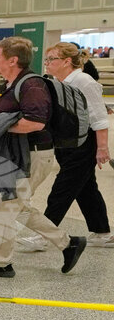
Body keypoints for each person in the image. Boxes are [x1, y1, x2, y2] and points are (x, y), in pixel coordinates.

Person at [0, 37, 87, 278]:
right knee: (20, 208)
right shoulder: (13, 83)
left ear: (13, 60)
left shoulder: (32, 85)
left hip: (33, 157)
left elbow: (35, 122)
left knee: (5, 209)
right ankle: (69, 244)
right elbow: (11, 112)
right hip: (21, 155)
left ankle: (1, 263)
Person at [17, 42, 113, 251]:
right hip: (67, 143)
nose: (47, 63)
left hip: (83, 144)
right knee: (86, 189)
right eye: (47, 59)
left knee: (62, 190)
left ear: (67, 61)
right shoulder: (60, 81)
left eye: (52, 59)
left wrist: (102, 148)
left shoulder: (83, 81)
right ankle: (102, 232)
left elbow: (99, 119)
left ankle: (44, 236)